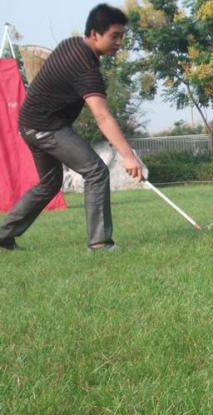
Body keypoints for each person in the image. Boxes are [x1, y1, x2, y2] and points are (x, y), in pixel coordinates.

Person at [0, 3, 144, 252]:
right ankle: (100, 243)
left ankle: (3, 235)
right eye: (114, 36)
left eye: (122, 36)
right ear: (94, 34)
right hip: (47, 127)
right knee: (96, 172)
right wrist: (129, 156)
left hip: (29, 125)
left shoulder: (71, 44)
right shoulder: (86, 68)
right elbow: (102, 117)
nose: (119, 42)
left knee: (49, 184)